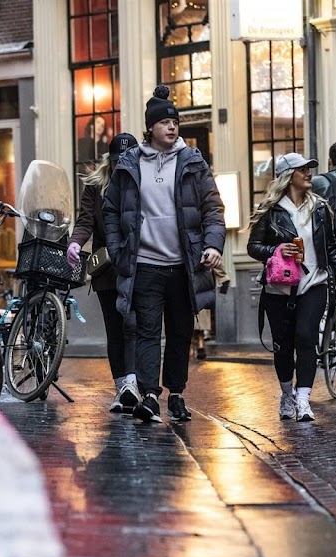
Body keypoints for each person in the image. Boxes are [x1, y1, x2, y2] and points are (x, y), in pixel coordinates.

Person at [104, 84, 226, 423]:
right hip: (144, 264)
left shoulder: (192, 162)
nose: (172, 127)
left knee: (180, 331)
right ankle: (149, 396)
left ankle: (176, 394)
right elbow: (111, 210)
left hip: (183, 266)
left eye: (175, 122)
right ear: (151, 128)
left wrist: (213, 245)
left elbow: (213, 208)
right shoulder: (130, 164)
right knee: (146, 330)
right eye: (164, 123)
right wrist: (118, 249)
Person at [246, 153, 336, 422]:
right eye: (303, 170)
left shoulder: (320, 208)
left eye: (309, 169)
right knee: (283, 345)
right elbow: (253, 247)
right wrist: (276, 249)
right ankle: (287, 394)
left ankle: (303, 400)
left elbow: (331, 247)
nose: (309, 174)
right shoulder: (271, 210)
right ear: (289, 176)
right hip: (279, 288)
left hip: (314, 283)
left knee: (306, 337)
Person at [67, 133, 141, 413]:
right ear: (109, 162)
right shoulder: (96, 186)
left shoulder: (144, 182)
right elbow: (85, 219)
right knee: (115, 328)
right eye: (117, 161)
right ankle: (122, 386)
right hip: (107, 267)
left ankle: (134, 385)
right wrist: (75, 242)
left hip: (138, 264)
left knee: (133, 324)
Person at [193, 263, 230, 360]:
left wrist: (224, 280)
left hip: (199, 287)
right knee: (197, 321)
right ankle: (200, 345)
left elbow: (213, 260)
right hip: (199, 286)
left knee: (196, 320)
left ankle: (198, 346)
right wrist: (224, 279)